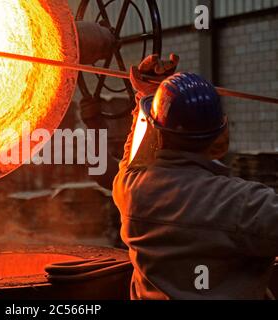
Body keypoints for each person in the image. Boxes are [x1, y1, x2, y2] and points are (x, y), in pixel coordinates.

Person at [110, 54, 278, 300]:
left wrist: (149, 96)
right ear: (220, 137)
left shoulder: (133, 191)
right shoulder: (248, 205)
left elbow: (137, 153)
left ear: (158, 134)